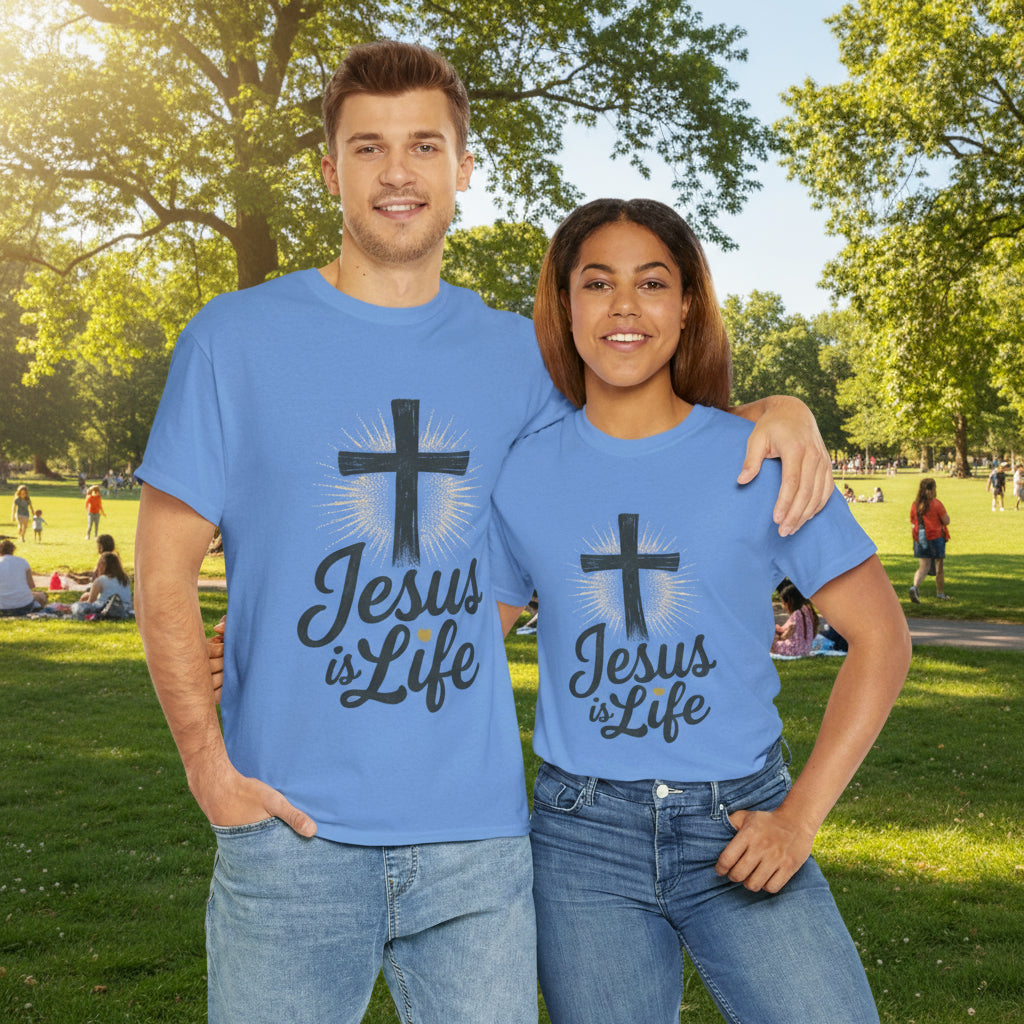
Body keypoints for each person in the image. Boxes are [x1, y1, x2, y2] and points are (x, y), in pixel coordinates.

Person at [135, 41, 836, 1024]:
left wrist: (780, 408)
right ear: (329, 170)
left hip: (479, 844)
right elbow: (162, 570)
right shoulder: (232, 338)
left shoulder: (526, 357)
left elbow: (651, 418)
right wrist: (210, 772)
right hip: (287, 831)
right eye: (368, 147)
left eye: (424, 146)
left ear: (463, 168)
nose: (397, 172)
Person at [488, 198, 911, 1024]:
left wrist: (799, 819)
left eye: (652, 283)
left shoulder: (763, 457)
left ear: (686, 306)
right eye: (597, 283)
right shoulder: (524, 474)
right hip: (581, 838)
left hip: (740, 820)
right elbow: (457, 646)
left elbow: (882, 638)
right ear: (564, 306)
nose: (623, 306)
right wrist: (268, 651)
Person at [909, 477, 951, 602]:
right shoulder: (936, 504)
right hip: (936, 537)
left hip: (920, 537)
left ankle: (915, 587)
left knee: (924, 566)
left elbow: (912, 521)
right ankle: (940, 593)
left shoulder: (915, 505)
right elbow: (946, 521)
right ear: (932, 489)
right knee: (939, 567)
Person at [70, 551, 133, 618]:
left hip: (105, 609)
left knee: (77, 606)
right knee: (85, 596)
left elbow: (90, 602)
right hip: (126, 609)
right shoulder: (125, 578)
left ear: (102, 565)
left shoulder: (101, 580)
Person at [770, 580, 819, 657]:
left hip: (794, 650)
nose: (783, 606)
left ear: (790, 601)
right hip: (806, 648)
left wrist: (776, 628)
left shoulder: (796, 614)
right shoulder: (808, 609)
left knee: (770, 639)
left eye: (784, 603)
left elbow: (784, 630)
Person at [0, 539, 48, 615]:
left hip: (2, 608)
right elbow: (31, 585)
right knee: (41, 595)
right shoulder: (22, 561)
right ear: (13, 550)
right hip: (24, 606)